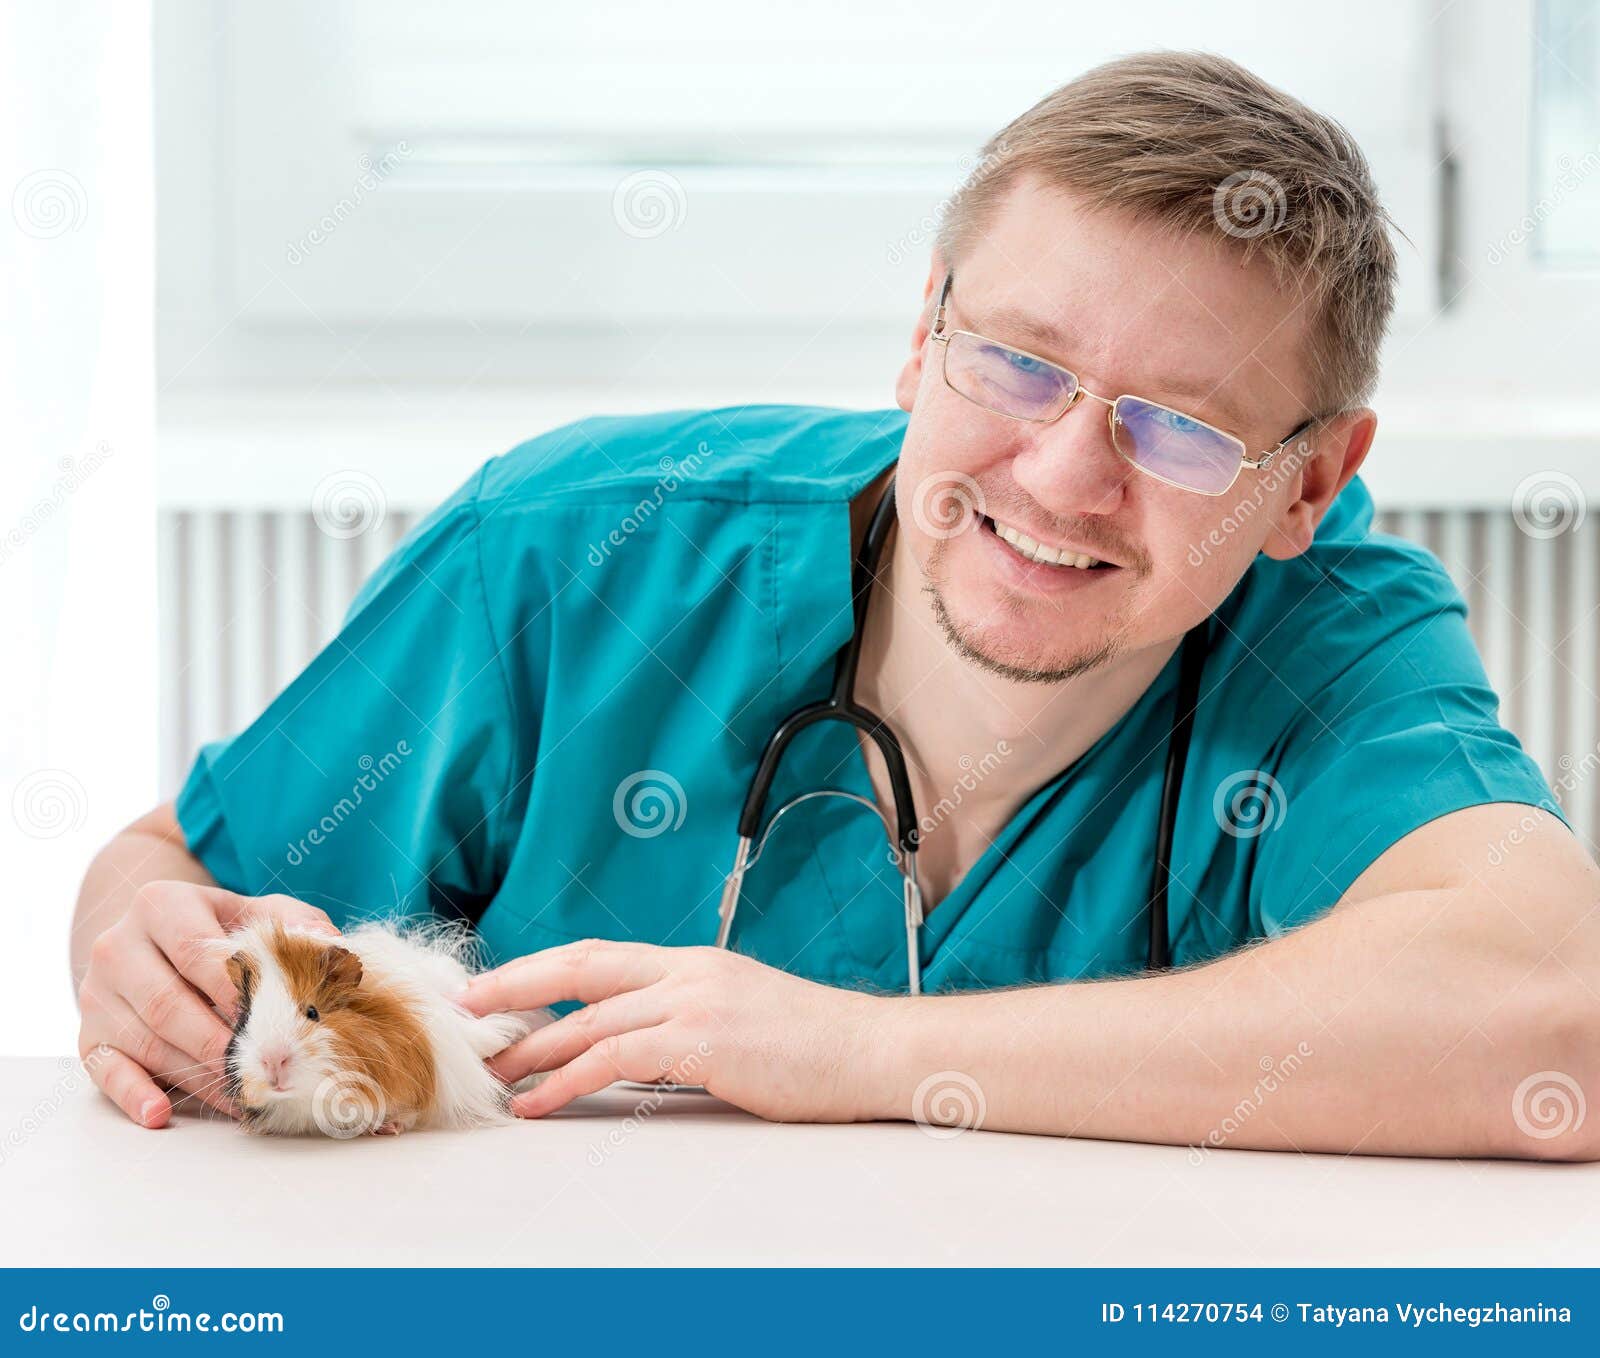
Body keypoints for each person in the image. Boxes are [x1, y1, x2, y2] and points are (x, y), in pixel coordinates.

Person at [72, 51, 1599, 1159]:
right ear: (919, 330)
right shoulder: (572, 550)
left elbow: (1559, 1018)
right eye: (1015, 360)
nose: (1066, 475)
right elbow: (176, 867)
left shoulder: (1335, 647)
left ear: (1309, 484)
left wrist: (863, 1051)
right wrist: (127, 950)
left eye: (1183, 427)